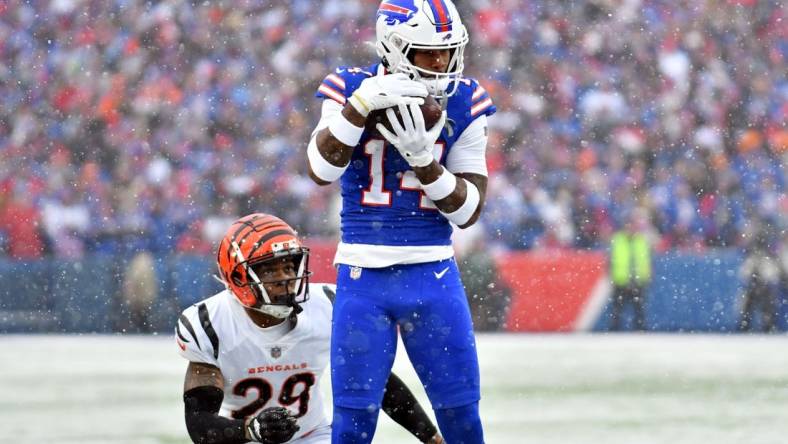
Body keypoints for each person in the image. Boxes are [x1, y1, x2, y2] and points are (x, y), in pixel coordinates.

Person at [307, 1, 494, 442]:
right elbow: (321, 169)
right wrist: (360, 108)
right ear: (393, 47)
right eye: (426, 51)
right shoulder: (350, 87)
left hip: (434, 272)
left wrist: (424, 162)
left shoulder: (466, 99)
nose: (440, 62)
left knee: (462, 416)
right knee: (353, 423)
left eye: (447, 51)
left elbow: (468, 211)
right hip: (362, 276)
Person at [176, 213, 444, 444]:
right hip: (241, 439)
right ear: (238, 277)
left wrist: (432, 438)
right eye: (269, 270)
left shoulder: (327, 305)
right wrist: (251, 429)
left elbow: (378, 383)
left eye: (289, 266)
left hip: (314, 436)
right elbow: (199, 424)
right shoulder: (209, 323)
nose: (285, 279)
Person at [608, 210, 653, 331]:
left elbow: (646, 260)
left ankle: (640, 332)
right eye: (629, 224)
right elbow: (610, 260)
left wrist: (646, 276)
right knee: (617, 312)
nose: (631, 227)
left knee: (639, 312)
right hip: (621, 281)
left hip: (637, 281)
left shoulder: (641, 240)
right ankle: (614, 333)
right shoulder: (618, 239)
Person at [738, 227, 780, 332]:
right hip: (755, 287)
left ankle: (766, 326)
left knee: (766, 306)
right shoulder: (755, 257)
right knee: (749, 307)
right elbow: (745, 274)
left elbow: (771, 275)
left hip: (760, 287)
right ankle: (747, 326)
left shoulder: (765, 257)